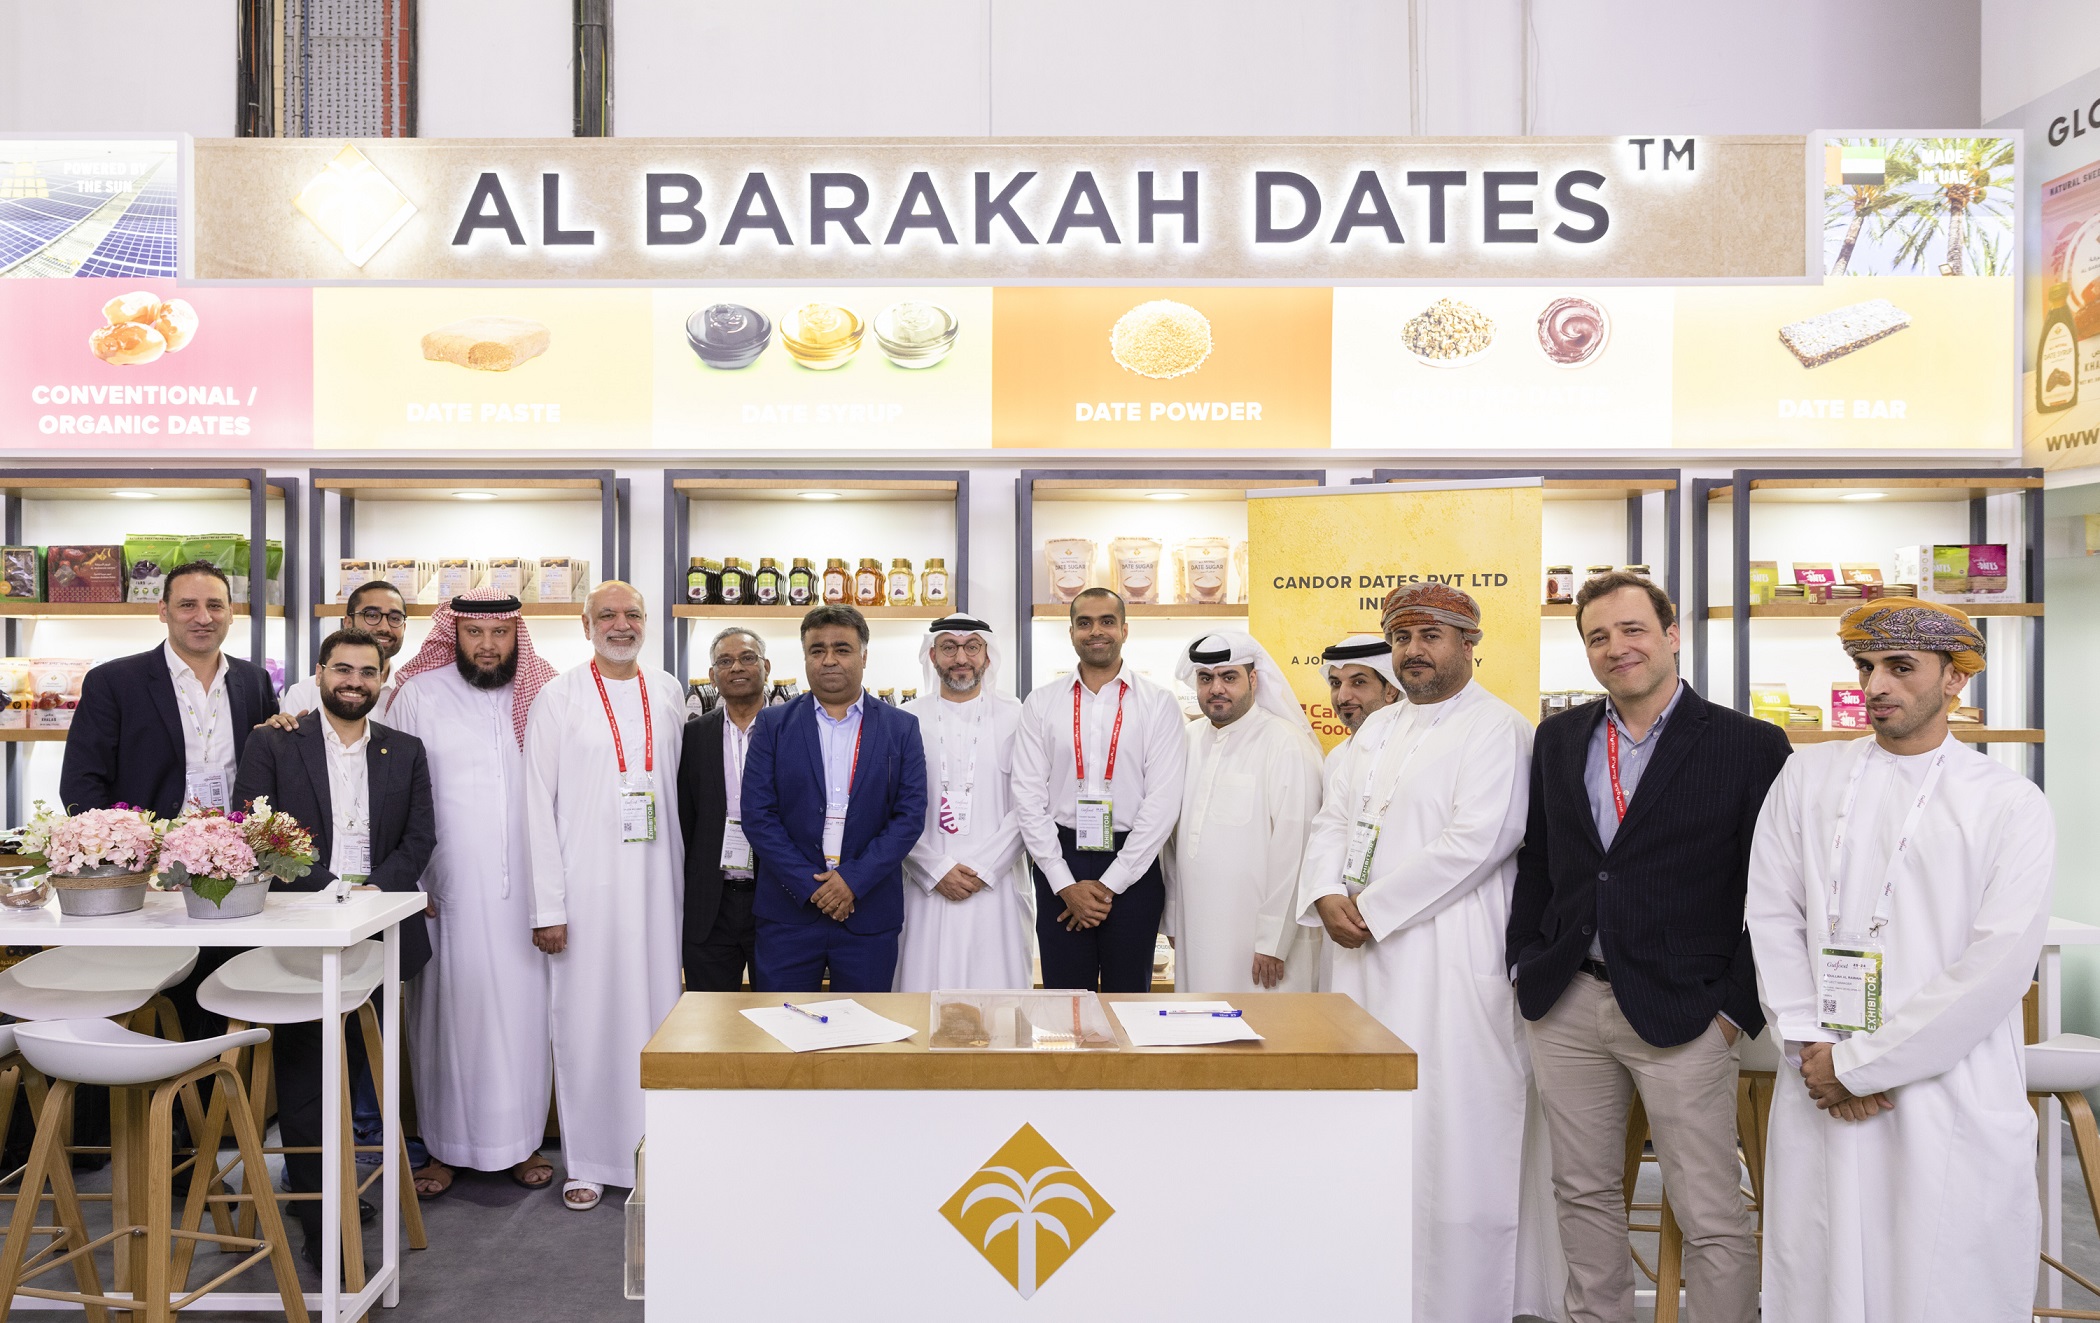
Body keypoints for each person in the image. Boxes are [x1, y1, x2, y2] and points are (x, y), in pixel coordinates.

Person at [1746, 601, 2053, 1323]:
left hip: (1944, 1086)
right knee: (1821, 1269)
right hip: (1819, 1076)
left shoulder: (2009, 802)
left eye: (1900, 667)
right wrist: (1814, 1048)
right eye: (1865, 667)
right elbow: (1772, 914)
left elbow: (1996, 966)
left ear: (1954, 678)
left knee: (1941, 1279)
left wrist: (1862, 1066)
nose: (1876, 685)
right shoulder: (1806, 777)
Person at [1507, 571, 1789, 1323]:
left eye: (1632, 629)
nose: (1616, 647)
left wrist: (1732, 1010)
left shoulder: (1750, 744)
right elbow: (1541, 860)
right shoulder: (1559, 737)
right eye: (1598, 637)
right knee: (1582, 1191)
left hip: (1687, 1011)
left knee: (1709, 1207)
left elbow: (1775, 890)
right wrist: (1525, 961)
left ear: (1670, 634)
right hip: (1567, 999)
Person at [1299, 582, 1561, 1323]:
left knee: (1455, 1125)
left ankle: (1464, 1301)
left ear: (1470, 643)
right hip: (1359, 958)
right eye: (1402, 638)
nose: (1414, 650)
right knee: (1371, 1124)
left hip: (1451, 956)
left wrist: (1372, 909)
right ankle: (1376, 1289)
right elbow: (1331, 821)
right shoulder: (1374, 731)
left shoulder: (1498, 728)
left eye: (1431, 636)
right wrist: (1325, 892)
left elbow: (1481, 839)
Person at [231, 627, 435, 1269]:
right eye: (342, 669)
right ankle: (321, 1217)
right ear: (319, 674)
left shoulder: (405, 749)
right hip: (300, 927)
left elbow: (420, 838)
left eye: (367, 672)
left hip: (381, 925)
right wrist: (328, 892)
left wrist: (372, 892)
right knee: (308, 1067)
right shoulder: (273, 741)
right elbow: (256, 829)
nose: (354, 682)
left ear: (383, 679)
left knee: (359, 1063)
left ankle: (345, 1183)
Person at [385, 590, 558, 1196]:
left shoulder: (545, 693)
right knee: (446, 1019)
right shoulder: (418, 695)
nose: (487, 645)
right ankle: (444, 1149)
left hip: (528, 892)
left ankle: (523, 1142)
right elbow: (393, 794)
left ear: (517, 636)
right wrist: (410, 880)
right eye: (474, 632)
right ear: (453, 635)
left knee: (524, 1020)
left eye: (500, 633)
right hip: (445, 889)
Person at [524, 581, 686, 1212]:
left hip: (657, 887)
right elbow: (537, 806)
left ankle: (657, 1154)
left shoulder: (667, 690)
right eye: (608, 615)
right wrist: (549, 908)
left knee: (658, 1019)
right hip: (584, 891)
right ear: (585, 625)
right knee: (586, 1021)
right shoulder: (558, 696)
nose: (622, 625)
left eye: (633, 615)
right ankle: (589, 1161)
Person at [740, 605, 927, 993]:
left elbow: (908, 816)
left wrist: (852, 881)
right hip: (789, 914)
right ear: (805, 656)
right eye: (817, 650)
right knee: (783, 1025)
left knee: (864, 1027)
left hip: (868, 913)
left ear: (864, 656)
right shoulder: (773, 725)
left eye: (842, 649)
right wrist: (813, 887)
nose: (829, 660)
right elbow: (758, 815)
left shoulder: (901, 727)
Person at [1013, 587, 1187, 993]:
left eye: (1107, 621)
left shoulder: (1158, 703)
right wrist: (1063, 882)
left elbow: (1163, 803)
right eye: (1084, 623)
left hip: (1134, 863)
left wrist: (1111, 884)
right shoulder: (1041, 703)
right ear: (1071, 632)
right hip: (1060, 861)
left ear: (1124, 629)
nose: (1096, 631)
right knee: (1064, 1000)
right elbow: (1027, 796)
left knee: (1128, 1000)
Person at [1165, 632, 1323, 994]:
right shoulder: (1187, 740)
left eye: (1229, 677)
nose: (1216, 688)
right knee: (1199, 1016)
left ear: (1253, 679)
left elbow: (1296, 850)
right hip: (1195, 928)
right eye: (1205, 678)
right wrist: (1173, 915)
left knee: (1262, 1022)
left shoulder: (1285, 743)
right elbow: (1171, 841)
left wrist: (1273, 940)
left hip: (1260, 944)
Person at [60, 559, 278, 818]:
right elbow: (81, 782)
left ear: (231, 612)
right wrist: (122, 839)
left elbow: (269, 772)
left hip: (237, 840)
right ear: (163, 611)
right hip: (149, 841)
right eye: (187, 605)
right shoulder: (113, 682)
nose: (204, 618)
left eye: (215, 605)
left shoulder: (255, 681)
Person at [895, 617, 1030, 992]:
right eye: (948, 647)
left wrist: (984, 868)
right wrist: (935, 869)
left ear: (988, 655)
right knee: (921, 993)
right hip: (923, 886)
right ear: (932, 655)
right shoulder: (905, 719)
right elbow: (891, 809)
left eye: (972, 647)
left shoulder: (1017, 716)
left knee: (996, 1002)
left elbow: (1031, 803)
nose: (960, 658)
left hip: (997, 886)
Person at [676, 627, 771, 991]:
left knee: (777, 1011)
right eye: (725, 661)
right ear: (712, 675)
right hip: (709, 908)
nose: (737, 667)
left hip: (775, 901)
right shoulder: (694, 735)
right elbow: (686, 820)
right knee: (709, 1015)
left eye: (747, 658)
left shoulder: (792, 728)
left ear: (765, 667)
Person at [279, 580, 409, 717]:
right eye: (371, 615)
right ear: (347, 622)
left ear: (404, 627)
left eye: (395, 618)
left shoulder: (410, 694)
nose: (384, 627)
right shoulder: (304, 694)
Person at [1320, 632, 1401, 747]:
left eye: (1358, 682)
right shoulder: (1336, 755)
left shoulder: (1404, 750)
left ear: (1390, 691)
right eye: (1336, 683)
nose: (1342, 697)